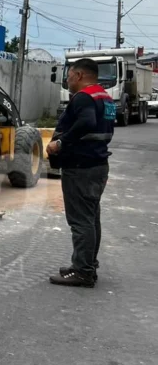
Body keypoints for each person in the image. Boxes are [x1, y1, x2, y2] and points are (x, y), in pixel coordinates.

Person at [46, 58, 114, 288]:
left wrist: (60, 144)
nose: (67, 80)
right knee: (91, 217)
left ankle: (82, 271)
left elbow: (86, 122)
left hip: (81, 167)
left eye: (69, 75)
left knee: (81, 221)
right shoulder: (104, 97)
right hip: (97, 164)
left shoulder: (84, 97)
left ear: (79, 75)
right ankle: (86, 265)